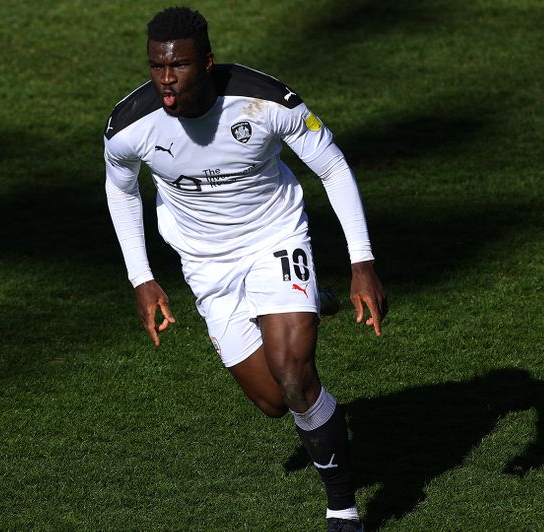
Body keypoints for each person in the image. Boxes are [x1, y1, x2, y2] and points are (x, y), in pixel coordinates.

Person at [103, 7, 387, 531]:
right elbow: (120, 192)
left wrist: (361, 262)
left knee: (294, 375)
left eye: (179, 67)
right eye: (157, 67)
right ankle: (309, 307)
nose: (166, 80)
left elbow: (332, 166)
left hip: (273, 237)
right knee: (274, 401)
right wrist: (141, 279)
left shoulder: (266, 102)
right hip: (205, 265)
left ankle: (342, 509)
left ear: (206, 63)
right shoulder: (129, 126)